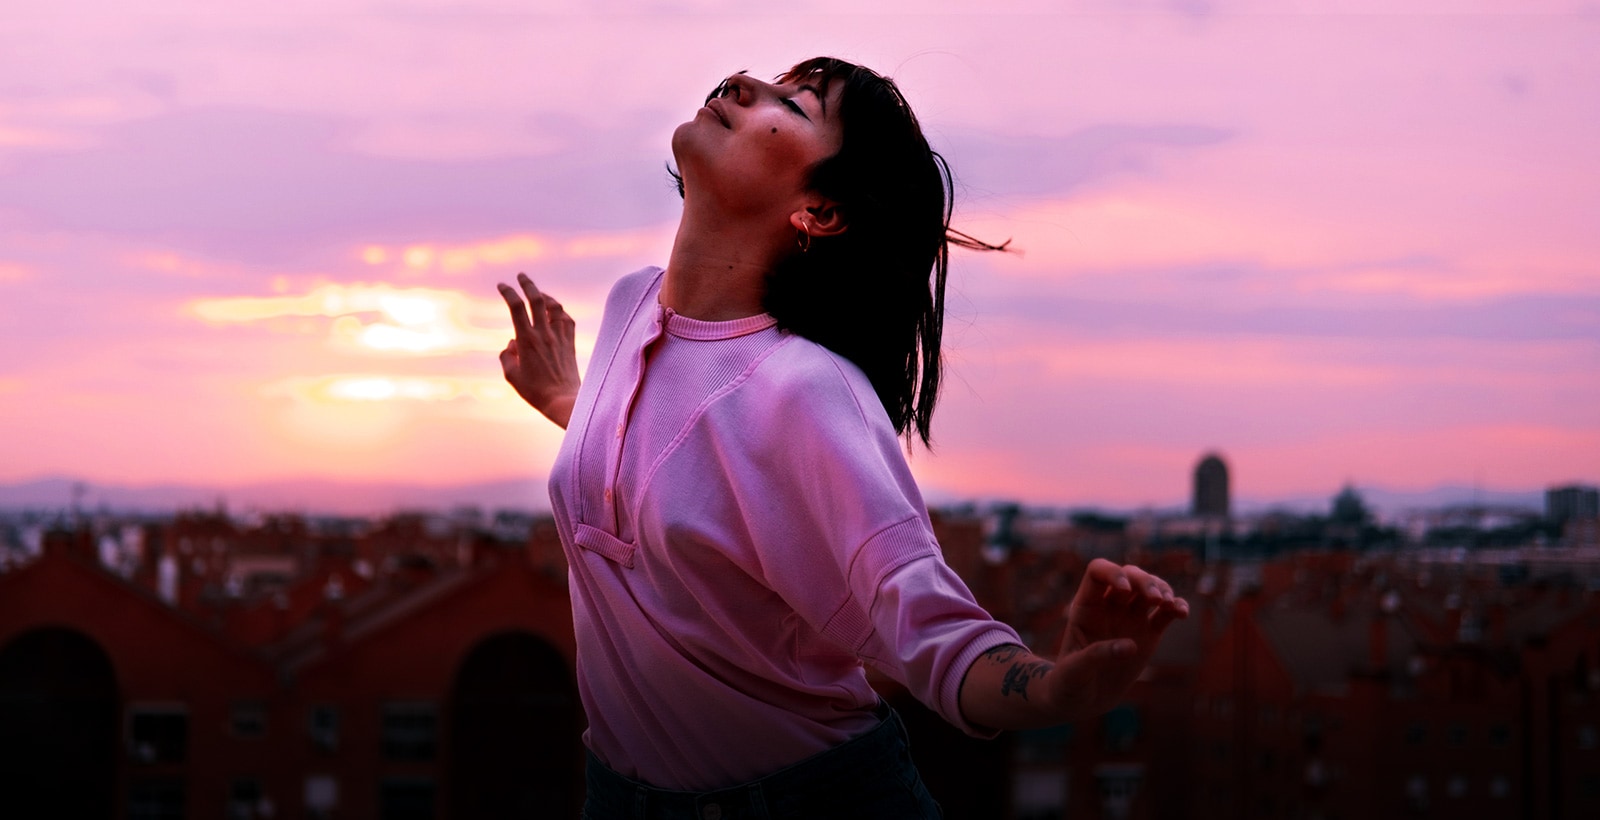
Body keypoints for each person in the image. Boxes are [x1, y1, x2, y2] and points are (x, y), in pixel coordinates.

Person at [497, 57, 1189, 820]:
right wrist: (569, 397)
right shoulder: (629, 308)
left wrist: (1057, 686)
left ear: (820, 211)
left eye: (793, 104)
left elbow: (922, 615)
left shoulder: (806, 389)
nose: (740, 84)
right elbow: (677, 462)